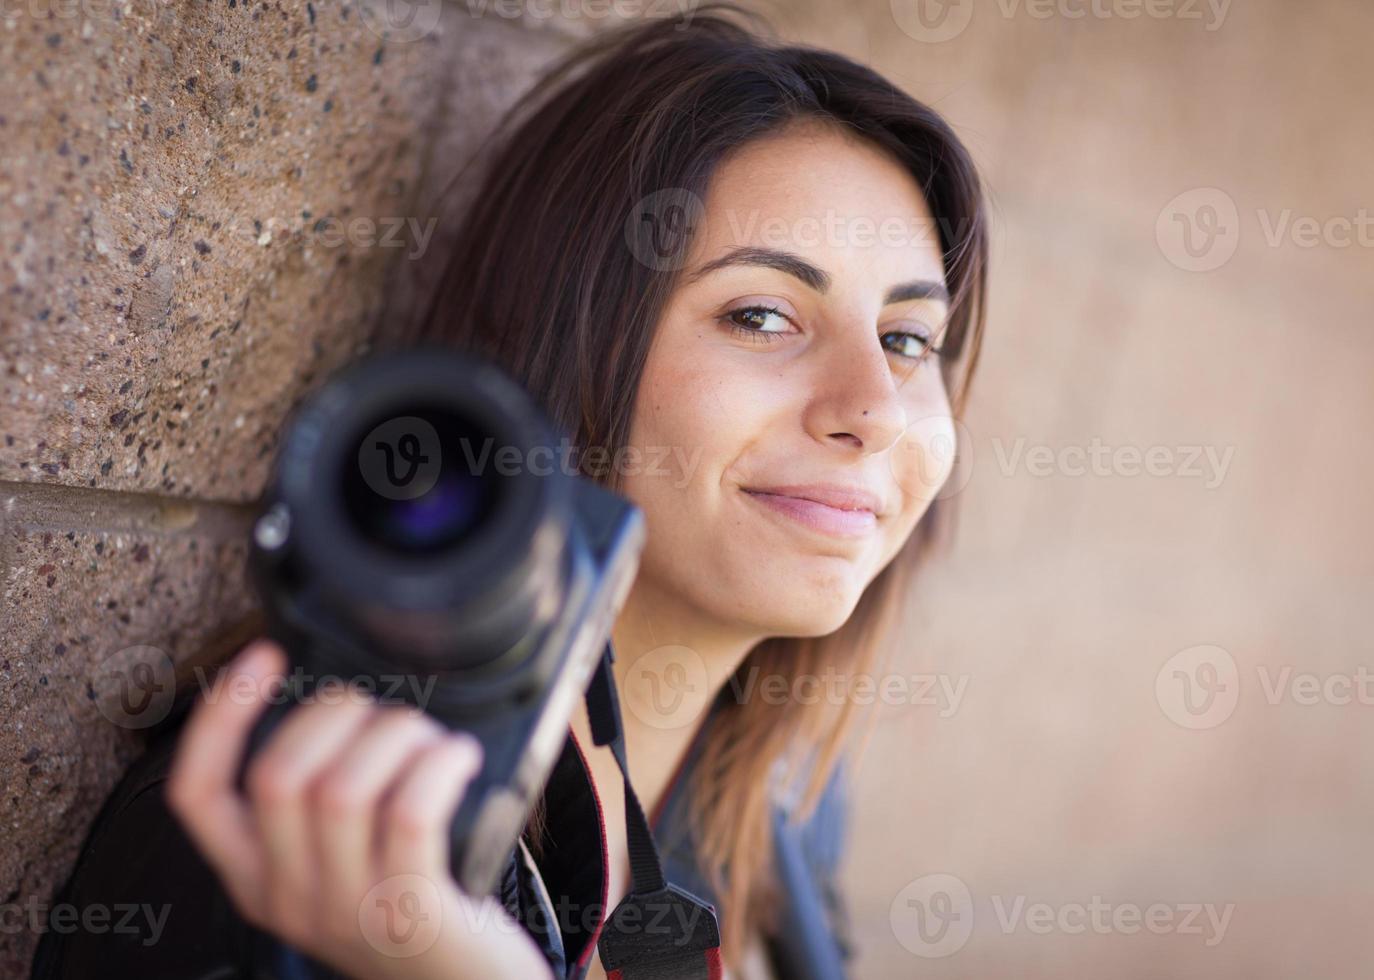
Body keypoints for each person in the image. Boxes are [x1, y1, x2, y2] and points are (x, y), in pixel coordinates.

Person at [103, 6, 989, 979]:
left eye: (908, 338)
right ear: (566, 356)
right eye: (761, 314)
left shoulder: (785, 809)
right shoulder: (305, 839)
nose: (874, 408)